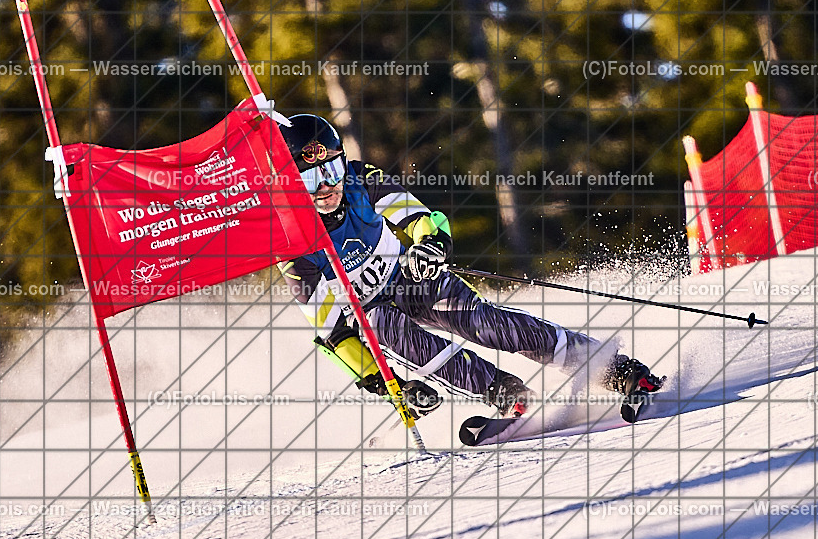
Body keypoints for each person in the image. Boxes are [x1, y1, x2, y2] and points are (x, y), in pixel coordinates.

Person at [278, 114, 663, 421]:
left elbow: (419, 216)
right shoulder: (289, 243)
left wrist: (430, 245)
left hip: (409, 278)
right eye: (310, 177)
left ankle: (614, 370)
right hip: (368, 311)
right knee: (383, 326)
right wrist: (389, 386)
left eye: (331, 171)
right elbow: (332, 333)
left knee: (484, 322)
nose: (325, 187)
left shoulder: (361, 179)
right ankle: (505, 392)